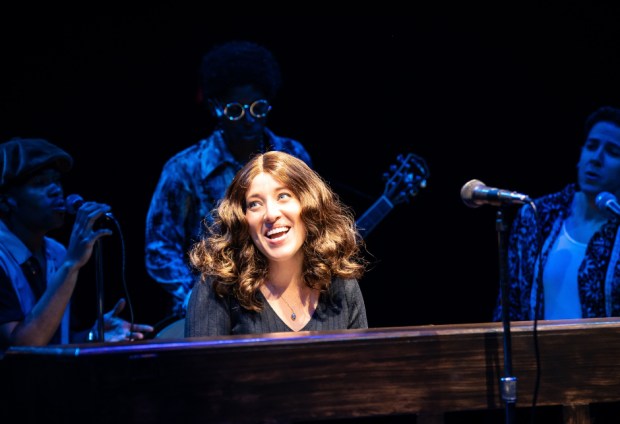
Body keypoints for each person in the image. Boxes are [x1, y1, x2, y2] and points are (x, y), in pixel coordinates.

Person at [145, 40, 313, 322]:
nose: (248, 120)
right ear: (215, 107)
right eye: (236, 110)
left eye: (258, 109)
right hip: (211, 311)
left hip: (286, 303)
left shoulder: (292, 155)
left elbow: (312, 225)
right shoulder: (185, 169)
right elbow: (159, 249)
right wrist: (199, 297)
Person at [185, 151, 367, 336]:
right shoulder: (217, 288)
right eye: (254, 204)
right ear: (241, 219)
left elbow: (363, 363)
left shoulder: (342, 285)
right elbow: (199, 365)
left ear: (310, 204)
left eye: (283, 196)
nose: (271, 214)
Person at [0, 137, 153, 352]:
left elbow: (55, 339)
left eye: (56, 180)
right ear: (6, 201)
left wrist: (93, 335)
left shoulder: (55, 251)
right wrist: (71, 264)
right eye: (40, 183)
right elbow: (22, 348)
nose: (55, 190)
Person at [493, 105, 620, 321]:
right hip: (537, 354)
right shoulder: (536, 216)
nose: (596, 158)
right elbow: (508, 306)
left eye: (612, 152)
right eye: (591, 146)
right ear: (580, 156)